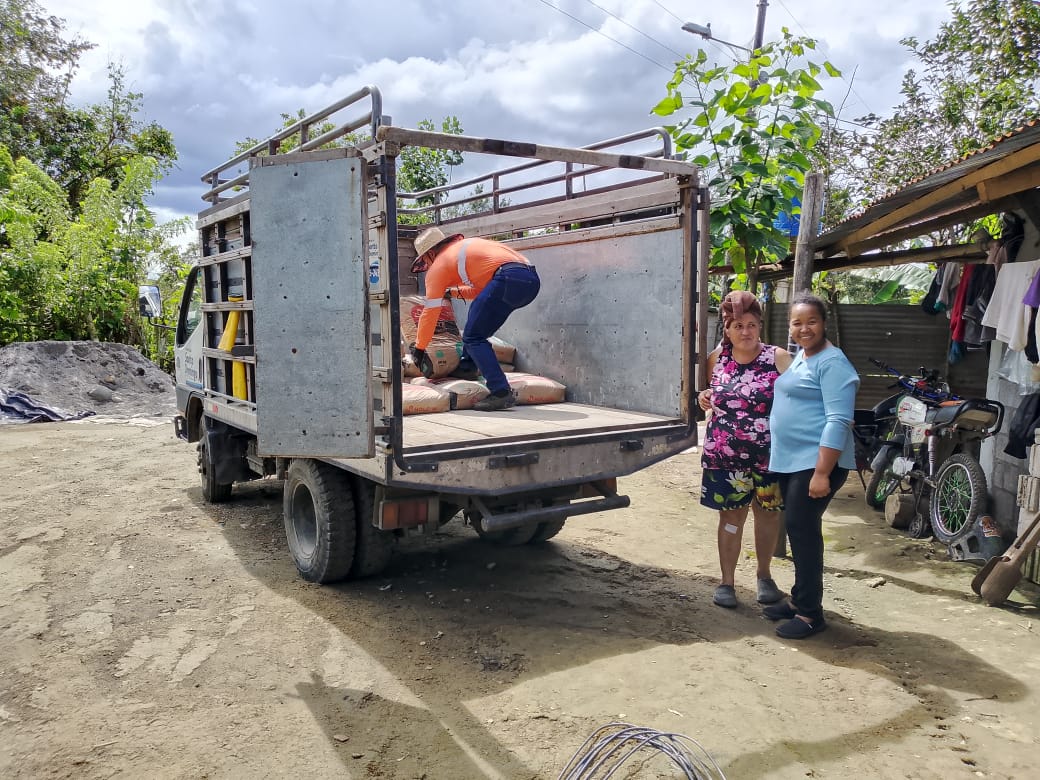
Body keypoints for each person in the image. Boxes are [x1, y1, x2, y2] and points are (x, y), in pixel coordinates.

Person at [765, 292, 859, 639]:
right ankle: (799, 600)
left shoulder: (833, 363)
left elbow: (838, 420)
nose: (804, 329)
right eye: (797, 323)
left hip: (816, 462)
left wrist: (822, 472)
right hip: (795, 461)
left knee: (802, 531)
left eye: (811, 321)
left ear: (824, 323)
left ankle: (809, 615)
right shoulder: (803, 357)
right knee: (798, 528)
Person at [698, 290, 792, 609]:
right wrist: (703, 396)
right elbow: (705, 393)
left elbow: (800, 400)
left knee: (767, 515)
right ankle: (727, 582)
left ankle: (764, 577)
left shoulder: (778, 358)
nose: (746, 332)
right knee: (730, 517)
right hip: (725, 459)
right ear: (727, 328)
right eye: (738, 325)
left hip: (770, 458)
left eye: (751, 325)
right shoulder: (716, 359)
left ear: (760, 326)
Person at [409, 227, 540, 411]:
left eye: (426, 261)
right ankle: (467, 366)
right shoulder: (465, 249)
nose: (428, 266)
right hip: (530, 281)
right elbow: (482, 290)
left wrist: (420, 347)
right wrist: (452, 293)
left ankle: (501, 392)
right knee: (477, 326)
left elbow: (430, 312)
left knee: (473, 337)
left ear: (430, 254)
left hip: (506, 280)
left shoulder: (438, 266)